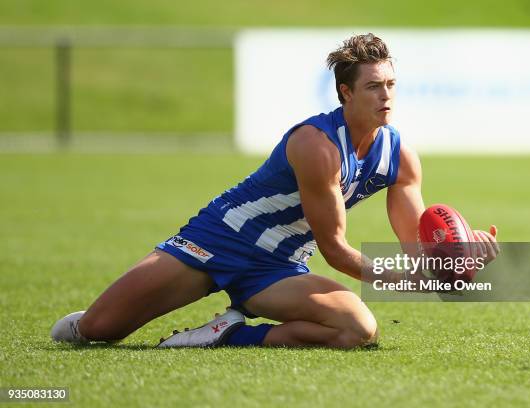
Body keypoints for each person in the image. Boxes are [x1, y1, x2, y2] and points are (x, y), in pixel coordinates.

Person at [51, 33, 499, 349]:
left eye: (391, 85)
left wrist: (456, 254)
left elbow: (415, 246)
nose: (386, 96)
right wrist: (407, 280)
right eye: (373, 86)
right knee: (98, 330)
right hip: (218, 242)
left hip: (277, 267)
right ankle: (95, 320)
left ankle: (226, 334)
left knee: (357, 330)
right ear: (345, 92)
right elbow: (337, 250)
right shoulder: (316, 145)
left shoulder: (399, 157)